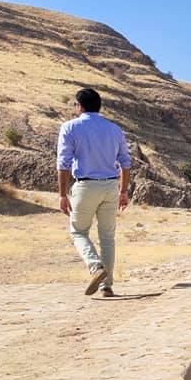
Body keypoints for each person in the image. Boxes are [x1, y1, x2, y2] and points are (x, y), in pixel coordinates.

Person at [56, 88, 132, 297]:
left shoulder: (70, 127)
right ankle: (106, 286)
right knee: (107, 237)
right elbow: (126, 163)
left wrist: (62, 195)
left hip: (86, 186)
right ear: (99, 106)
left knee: (78, 231)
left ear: (79, 106)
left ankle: (95, 266)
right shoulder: (114, 129)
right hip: (111, 187)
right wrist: (124, 191)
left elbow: (63, 164)